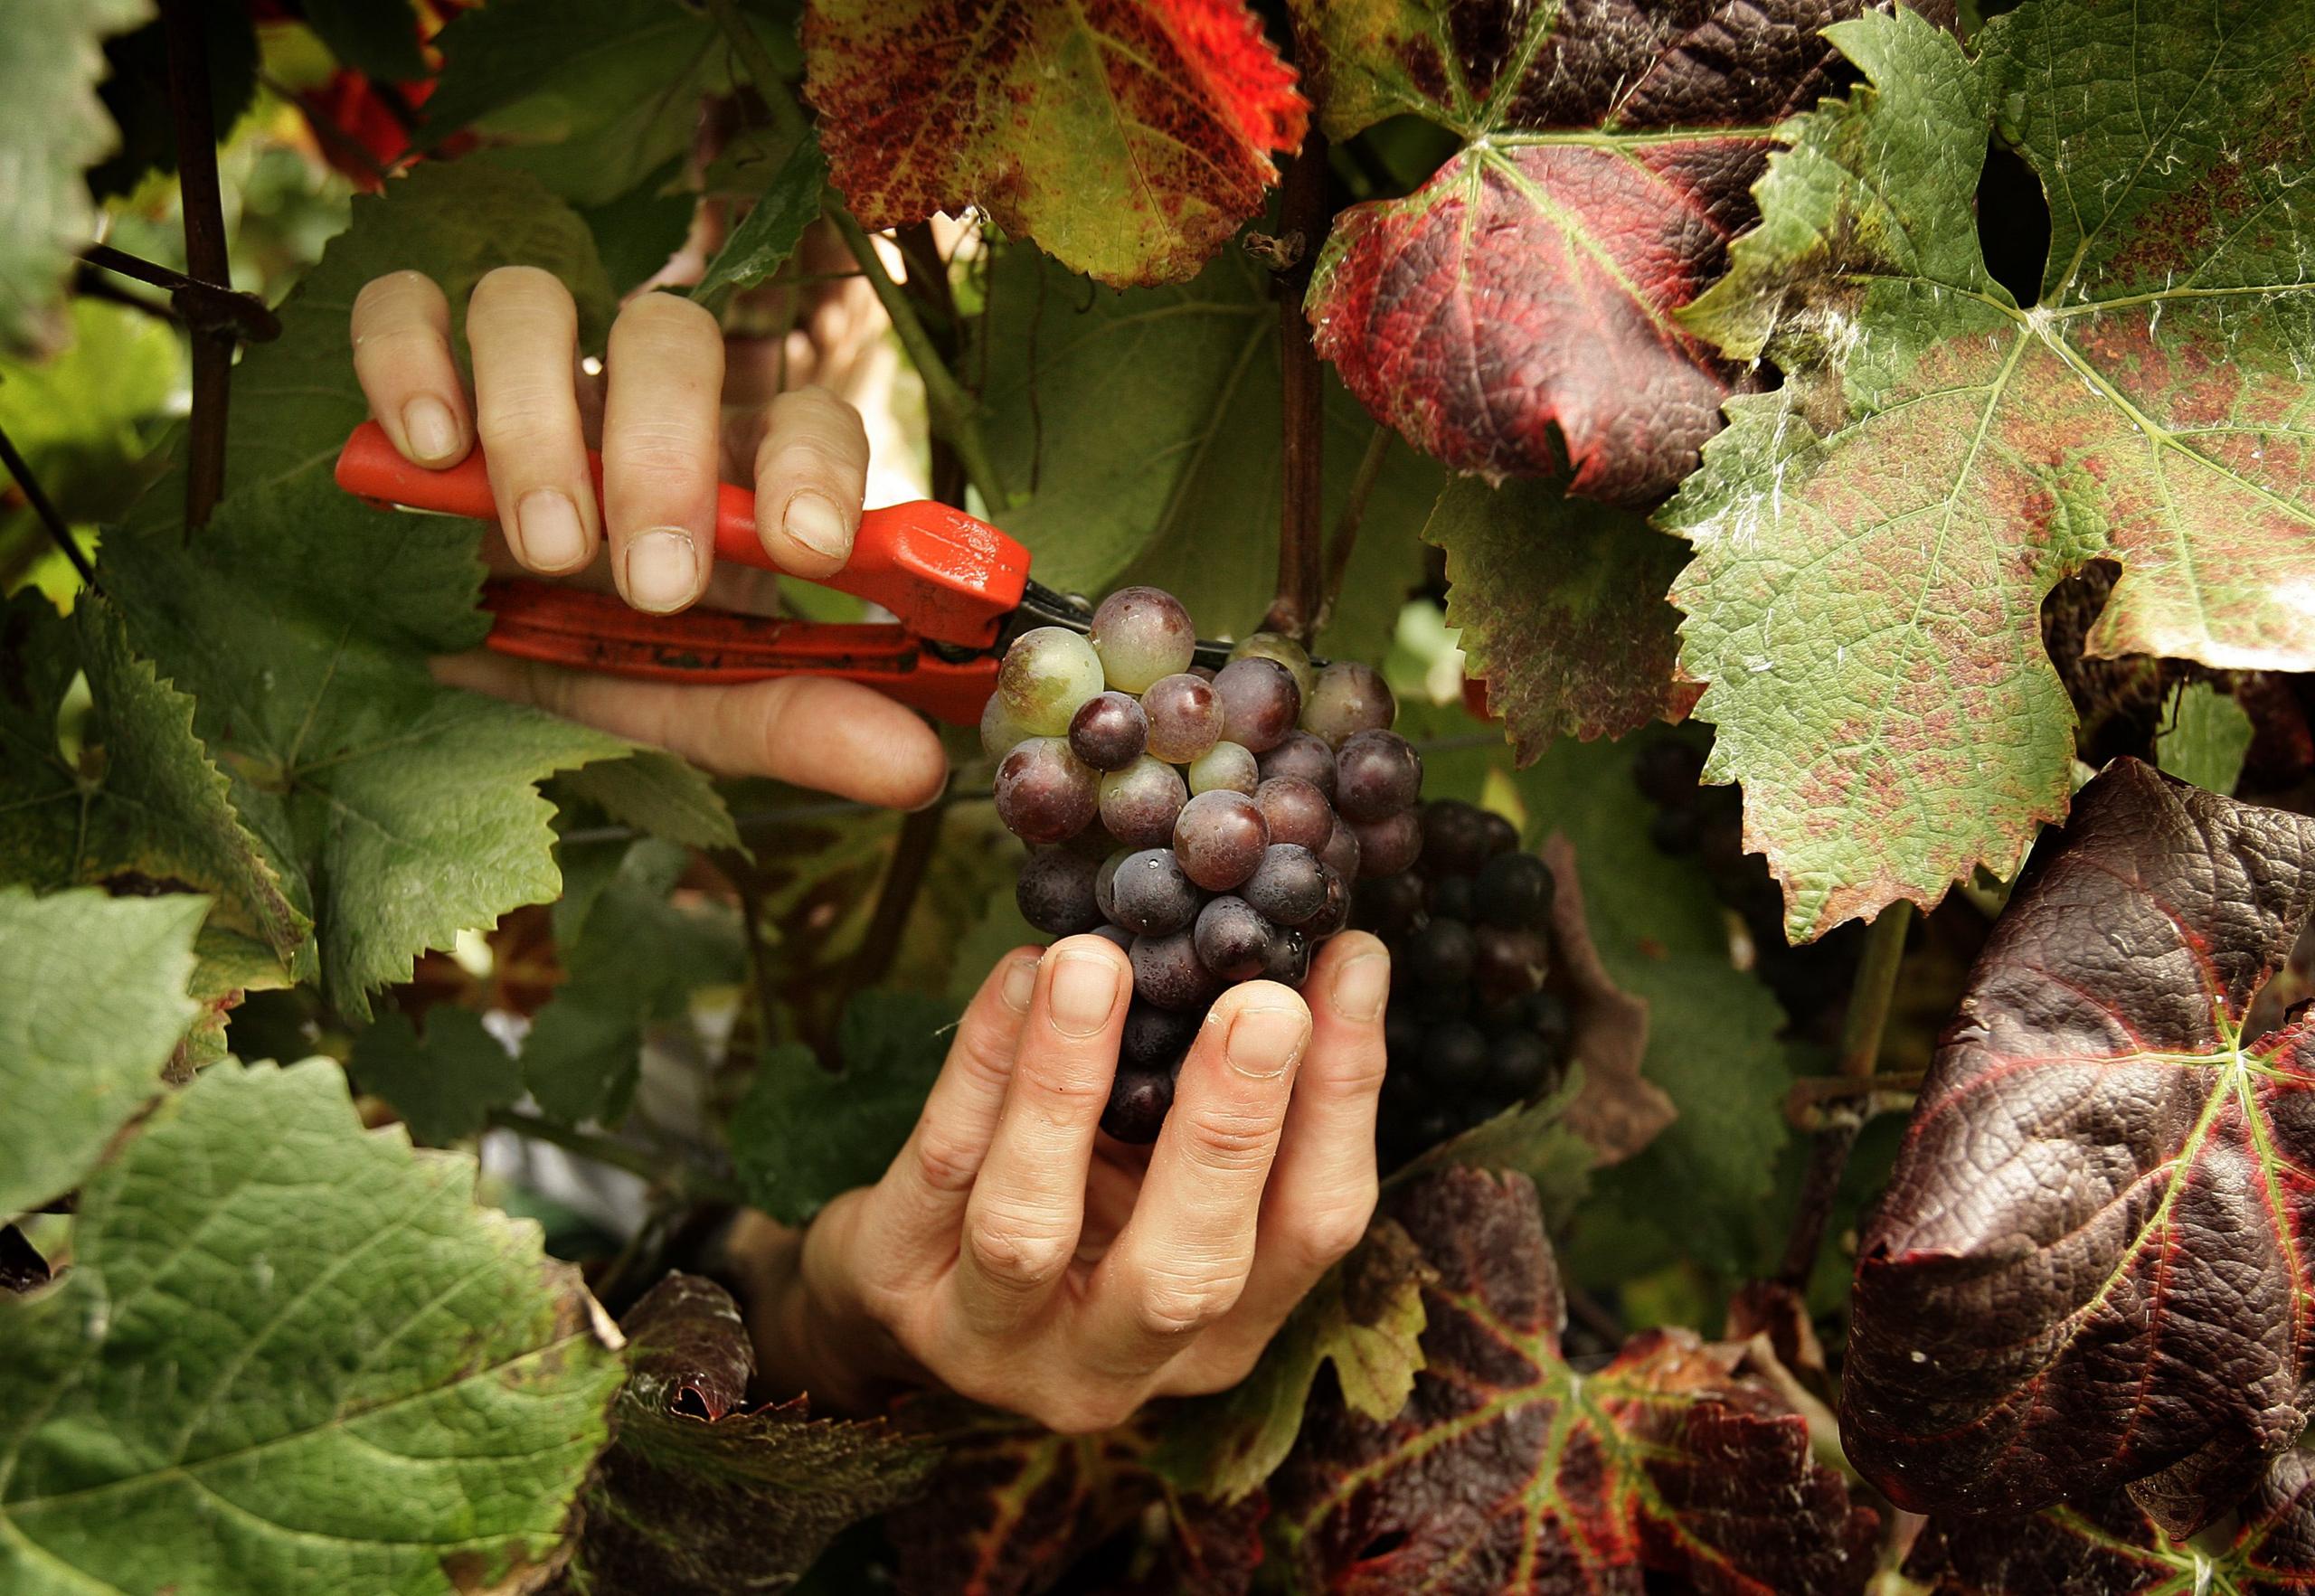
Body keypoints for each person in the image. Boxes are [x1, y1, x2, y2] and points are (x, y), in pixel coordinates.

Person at [350, 269, 1392, 1432]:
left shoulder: (586, 1067)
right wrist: (404, 643)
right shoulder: (447, 1046)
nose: (766, 320)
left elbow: (650, 1314)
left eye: (798, 278)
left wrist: (811, 1323)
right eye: (709, 263)